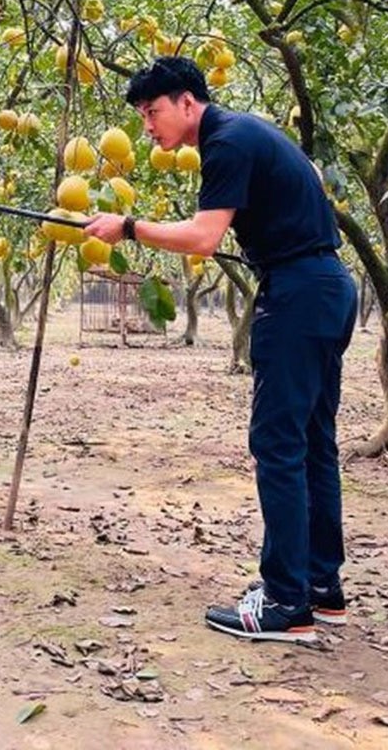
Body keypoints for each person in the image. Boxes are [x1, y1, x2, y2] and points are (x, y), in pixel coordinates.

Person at [84, 56, 358, 643]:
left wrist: (127, 227)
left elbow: (204, 239)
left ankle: (286, 603)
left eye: (153, 112)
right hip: (325, 284)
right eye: (140, 116)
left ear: (187, 102)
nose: (148, 128)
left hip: (300, 293)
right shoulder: (247, 132)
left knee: (278, 443)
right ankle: (318, 587)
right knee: (311, 441)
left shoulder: (226, 142)